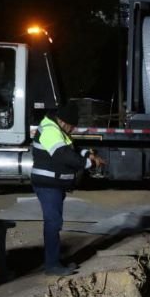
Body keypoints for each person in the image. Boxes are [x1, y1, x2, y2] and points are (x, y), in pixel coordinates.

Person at [30, 101, 105, 276]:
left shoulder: (57, 129)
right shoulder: (50, 130)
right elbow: (63, 156)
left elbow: (71, 149)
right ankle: (52, 265)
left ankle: (54, 260)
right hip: (48, 185)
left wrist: (88, 154)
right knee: (53, 223)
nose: (73, 130)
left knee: (54, 222)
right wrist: (89, 163)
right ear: (63, 122)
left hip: (53, 185)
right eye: (72, 126)